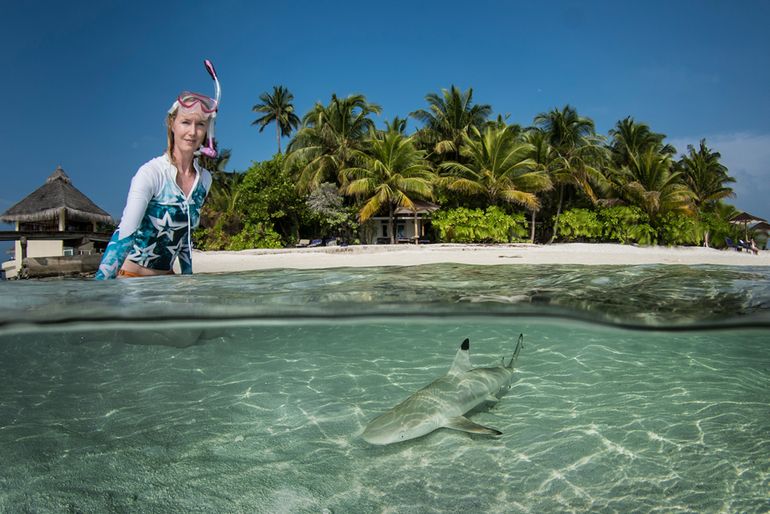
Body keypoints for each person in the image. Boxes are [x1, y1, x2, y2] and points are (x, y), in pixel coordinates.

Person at [96, 61, 221, 280]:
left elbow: (183, 240)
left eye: (200, 124)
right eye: (185, 122)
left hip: (168, 282)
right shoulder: (151, 174)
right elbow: (124, 235)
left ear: (207, 131)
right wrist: (99, 290)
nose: (192, 132)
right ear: (172, 124)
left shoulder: (204, 181)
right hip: (131, 280)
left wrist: (189, 281)